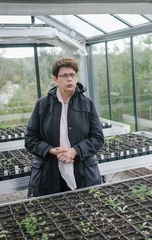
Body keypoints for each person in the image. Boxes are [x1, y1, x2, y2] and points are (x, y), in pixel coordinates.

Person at [25, 58, 104, 197]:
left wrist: (74, 151)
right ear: (55, 79)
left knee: (84, 212)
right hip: (49, 174)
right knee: (52, 214)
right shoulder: (42, 104)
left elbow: (98, 138)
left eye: (73, 75)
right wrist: (52, 151)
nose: (70, 79)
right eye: (65, 75)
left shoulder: (87, 104)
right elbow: (30, 139)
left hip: (82, 173)